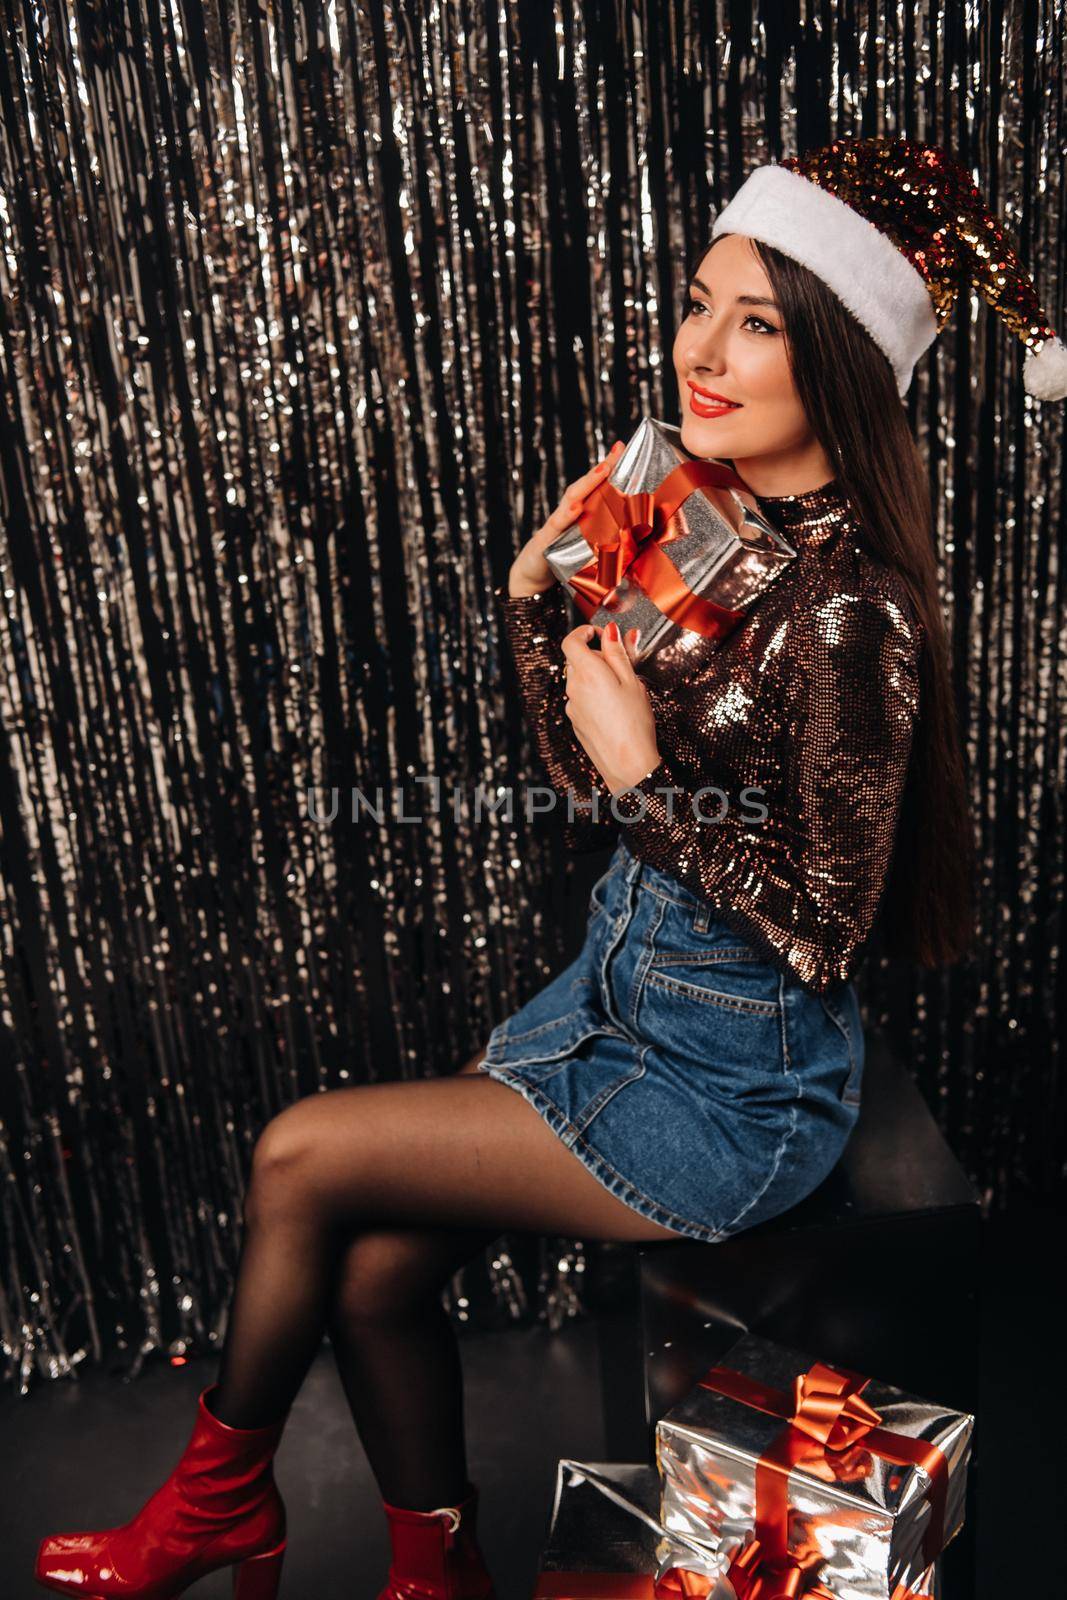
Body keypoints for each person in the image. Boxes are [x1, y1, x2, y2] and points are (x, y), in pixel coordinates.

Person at [34, 135, 1065, 1600]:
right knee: (380, 1266)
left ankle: (219, 1509)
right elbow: (592, 784)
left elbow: (823, 932)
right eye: (698, 303)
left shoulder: (854, 617)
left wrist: (644, 765)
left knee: (299, 1154)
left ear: (838, 358)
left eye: (757, 324)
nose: (700, 353)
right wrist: (535, 609)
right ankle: (427, 1569)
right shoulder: (712, 526)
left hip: (734, 1088)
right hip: (617, 1001)